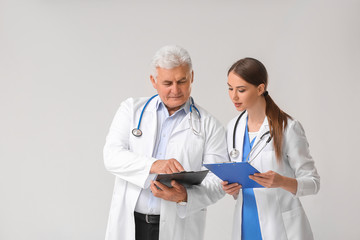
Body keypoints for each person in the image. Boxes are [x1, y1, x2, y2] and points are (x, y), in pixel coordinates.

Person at [103, 45, 227, 240]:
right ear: (153, 81)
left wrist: (185, 197)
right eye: (167, 83)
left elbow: (218, 182)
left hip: (178, 227)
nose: (175, 90)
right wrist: (154, 165)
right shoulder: (131, 110)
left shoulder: (210, 125)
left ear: (192, 77)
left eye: (182, 81)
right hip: (131, 225)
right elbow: (111, 156)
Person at [222, 58, 320, 240]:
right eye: (230, 88)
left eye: (241, 90)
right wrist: (232, 189)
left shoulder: (288, 127)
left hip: (281, 227)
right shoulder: (232, 128)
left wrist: (281, 181)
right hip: (246, 224)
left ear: (260, 89)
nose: (234, 96)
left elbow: (313, 183)